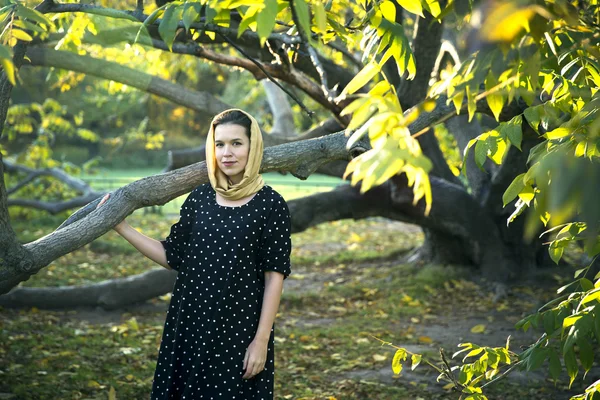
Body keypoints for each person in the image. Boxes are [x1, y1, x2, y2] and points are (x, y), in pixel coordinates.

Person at [96, 109, 292, 399]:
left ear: (253, 147)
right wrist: (122, 227)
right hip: (189, 323)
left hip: (239, 329)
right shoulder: (200, 197)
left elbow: (275, 277)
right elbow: (173, 256)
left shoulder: (271, 205)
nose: (227, 152)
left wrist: (261, 340)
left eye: (237, 143)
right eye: (220, 144)